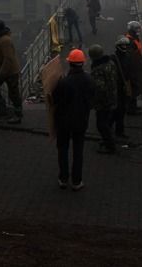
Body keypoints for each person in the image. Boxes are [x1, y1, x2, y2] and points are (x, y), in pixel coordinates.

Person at [52, 48, 94, 191]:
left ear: (70, 63)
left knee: (62, 150)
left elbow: (55, 100)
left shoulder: (64, 82)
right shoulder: (89, 80)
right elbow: (92, 99)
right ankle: (77, 181)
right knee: (78, 151)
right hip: (81, 121)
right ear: (83, 63)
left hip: (63, 122)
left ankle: (63, 178)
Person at [0, 19, 22, 124]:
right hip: (0, 69)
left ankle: (18, 115)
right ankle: (1, 110)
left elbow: (8, 59)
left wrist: (1, 74)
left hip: (10, 71)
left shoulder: (5, 40)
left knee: (13, 93)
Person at [89, 43, 120, 153]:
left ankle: (110, 146)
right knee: (107, 122)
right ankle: (108, 139)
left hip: (104, 102)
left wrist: (93, 101)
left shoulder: (97, 70)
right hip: (113, 97)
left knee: (101, 125)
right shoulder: (111, 63)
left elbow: (99, 88)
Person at [113, 37, 139, 120]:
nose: (124, 47)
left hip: (125, 81)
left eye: (125, 45)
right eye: (123, 45)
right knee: (122, 102)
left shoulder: (116, 57)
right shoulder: (120, 57)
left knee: (124, 101)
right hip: (123, 82)